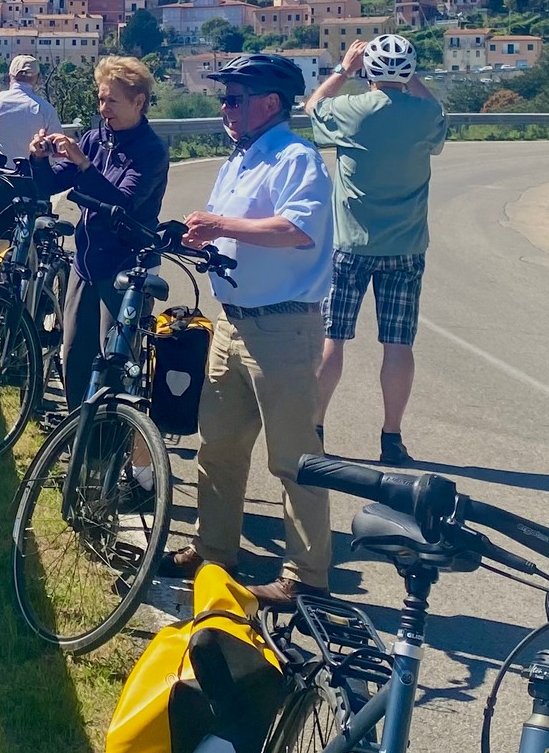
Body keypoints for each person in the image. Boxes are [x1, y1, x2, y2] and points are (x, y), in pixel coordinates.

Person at [172, 52, 336, 609]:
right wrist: (204, 239)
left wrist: (221, 224)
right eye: (222, 99)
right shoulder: (239, 160)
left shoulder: (296, 158)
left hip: (283, 326)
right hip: (232, 322)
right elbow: (235, 233)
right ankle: (214, 549)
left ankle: (306, 575)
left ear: (270, 103)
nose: (224, 108)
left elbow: (296, 230)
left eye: (234, 99)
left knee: (294, 459)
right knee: (218, 446)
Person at [307, 34, 447, 466]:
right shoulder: (425, 116)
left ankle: (314, 427)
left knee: (333, 337)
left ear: (367, 69)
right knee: (398, 344)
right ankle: (391, 437)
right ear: (408, 72)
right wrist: (412, 77)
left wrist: (343, 70)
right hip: (405, 248)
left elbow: (312, 108)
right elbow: (436, 113)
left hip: (351, 245)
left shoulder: (350, 111)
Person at [26, 55, 169, 411]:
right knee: (73, 358)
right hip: (85, 268)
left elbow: (123, 204)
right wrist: (39, 158)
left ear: (138, 102)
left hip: (124, 274)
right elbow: (50, 186)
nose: (103, 109)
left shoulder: (150, 151)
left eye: (112, 101)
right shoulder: (95, 139)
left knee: (114, 369)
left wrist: (83, 165)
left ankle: (111, 454)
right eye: (100, 99)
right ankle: (79, 447)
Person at [0, 54, 59, 237]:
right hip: (33, 181)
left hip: (0, 178)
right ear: (38, 79)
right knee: (35, 235)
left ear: (10, 76)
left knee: (1, 235)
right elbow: (57, 147)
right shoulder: (45, 108)